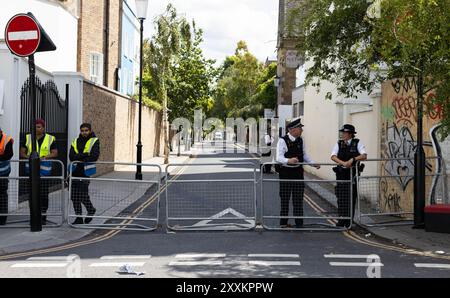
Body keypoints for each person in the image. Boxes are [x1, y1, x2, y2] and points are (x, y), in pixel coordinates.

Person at [276, 118, 320, 228]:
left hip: (298, 173)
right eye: (300, 128)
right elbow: (278, 157)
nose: (302, 130)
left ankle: (299, 224)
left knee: (298, 199)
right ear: (293, 130)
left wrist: (313, 163)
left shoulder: (300, 140)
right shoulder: (282, 140)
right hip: (286, 174)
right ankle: (283, 223)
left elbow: (304, 155)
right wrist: (288, 160)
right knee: (285, 199)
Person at [20, 119, 58, 225]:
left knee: (43, 194)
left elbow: (55, 153)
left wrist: (44, 157)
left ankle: (43, 216)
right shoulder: (28, 137)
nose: (37, 129)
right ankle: (34, 215)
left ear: (43, 128)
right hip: (31, 171)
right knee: (31, 194)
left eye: (39, 127)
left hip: (44, 172)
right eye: (36, 126)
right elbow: (22, 152)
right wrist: (30, 157)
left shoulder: (50, 138)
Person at [331, 124, 367, 228]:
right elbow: (333, 156)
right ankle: (341, 219)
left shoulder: (358, 143)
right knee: (340, 196)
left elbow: (364, 155)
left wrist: (353, 159)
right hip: (341, 174)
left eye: (344, 133)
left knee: (351, 197)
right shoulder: (339, 143)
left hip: (352, 174)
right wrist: (343, 163)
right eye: (342, 133)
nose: (342, 134)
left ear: (350, 134)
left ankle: (349, 221)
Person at [69, 123, 100, 225]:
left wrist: (79, 156)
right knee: (74, 196)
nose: (84, 132)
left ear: (90, 131)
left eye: (86, 130)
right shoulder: (75, 141)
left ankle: (90, 209)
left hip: (85, 172)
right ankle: (78, 217)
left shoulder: (94, 140)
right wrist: (84, 155)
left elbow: (94, 156)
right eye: (82, 130)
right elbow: (71, 157)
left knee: (82, 194)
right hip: (74, 171)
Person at [0, 128, 14, 225]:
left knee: (2, 195)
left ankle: (2, 218)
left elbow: (9, 155)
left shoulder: (7, 139)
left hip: (3, 173)